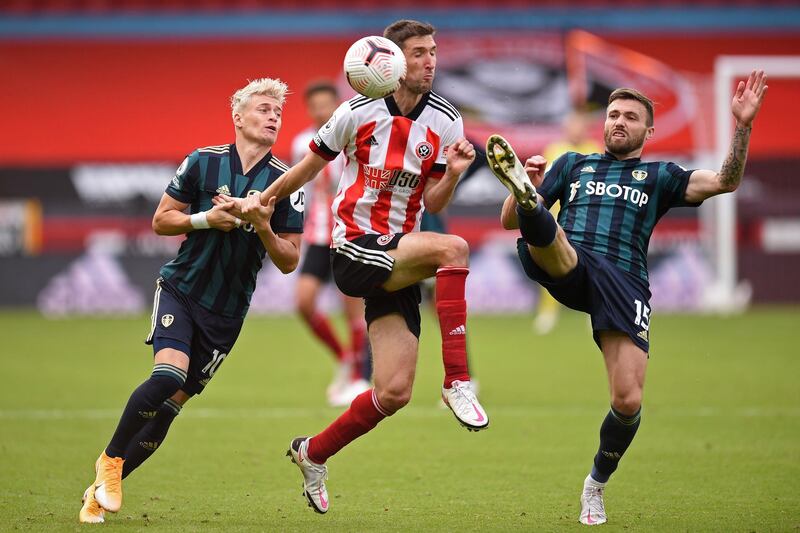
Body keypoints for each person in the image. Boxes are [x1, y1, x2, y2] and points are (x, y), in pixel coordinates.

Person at [219, 19, 489, 514]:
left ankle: (312, 453)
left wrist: (452, 174)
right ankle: (457, 381)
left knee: (393, 391)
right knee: (454, 250)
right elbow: (307, 166)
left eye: (434, 52)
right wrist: (260, 197)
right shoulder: (355, 112)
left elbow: (432, 197)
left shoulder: (446, 119)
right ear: (391, 58)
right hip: (354, 246)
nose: (430, 61)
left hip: (399, 252)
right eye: (419, 53)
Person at [486, 71, 767, 526]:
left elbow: (725, 181)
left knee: (628, 399)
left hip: (624, 283)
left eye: (631, 117)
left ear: (647, 131)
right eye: (613, 114)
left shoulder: (661, 176)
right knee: (546, 230)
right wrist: (524, 194)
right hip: (570, 260)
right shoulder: (572, 164)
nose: (619, 121)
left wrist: (743, 125)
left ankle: (595, 484)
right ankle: (529, 198)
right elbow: (505, 223)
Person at [78, 78, 303, 524]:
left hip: (228, 311)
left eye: (277, 111)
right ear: (237, 117)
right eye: (263, 108)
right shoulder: (203, 162)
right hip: (182, 289)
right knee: (167, 374)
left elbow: (290, 260)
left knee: (170, 407)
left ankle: (98, 490)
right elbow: (162, 221)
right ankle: (109, 460)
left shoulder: (286, 182)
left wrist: (261, 223)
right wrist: (205, 218)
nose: (273, 117)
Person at [291, 80, 369, 406]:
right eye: (316, 105)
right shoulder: (300, 144)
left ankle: (358, 380)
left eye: (328, 104)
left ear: (338, 105)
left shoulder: (352, 136)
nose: (322, 111)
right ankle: (344, 358)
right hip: (318, 235)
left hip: (348, 233)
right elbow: (301, 189)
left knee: (354, 310)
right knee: (304, 302)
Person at [534, 108, 602, 334]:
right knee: (552, 265)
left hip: (586, 219)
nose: (575, 129)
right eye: (572, 124)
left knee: (594, 265)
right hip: (556, 218)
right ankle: (548, 312)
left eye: (579, 124)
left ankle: (596, 309)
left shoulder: (594, 151)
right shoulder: (555, 150)